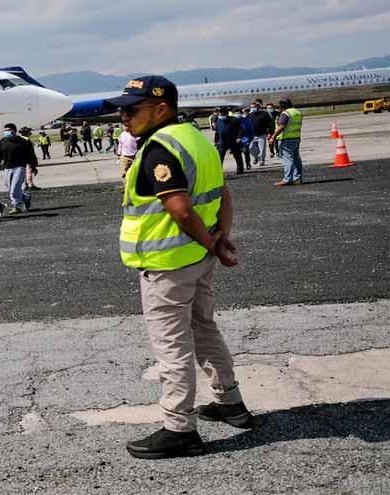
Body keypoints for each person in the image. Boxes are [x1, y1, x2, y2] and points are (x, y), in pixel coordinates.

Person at [107, 75, 251, 460]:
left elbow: (181, 209)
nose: (122, 116)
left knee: (172, 347)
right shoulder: (197, 139)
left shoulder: (158, 149)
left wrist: (214, 245)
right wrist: (219, 240)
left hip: (168, 264)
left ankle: (179, 428)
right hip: (196, 259)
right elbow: (223, 194)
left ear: (161, 109)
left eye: (130, 109)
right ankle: (230, 403)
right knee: (204, 329)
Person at [0, 123, 36, 215]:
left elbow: (31, 154)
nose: (6, 132)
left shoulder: (23, 141)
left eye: (8, 130)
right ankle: (26, 198)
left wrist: (33, 166)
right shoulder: (3, 141)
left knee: (15, 187)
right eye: (5, 130)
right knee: (10, 188)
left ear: (14, 131)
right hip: (7, 168)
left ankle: (17, 206)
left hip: (19, 167)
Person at [269, 98, 304, 186]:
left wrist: (273, 137)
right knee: (296, 159)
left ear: (282, 106)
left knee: (288, 159)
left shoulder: (285, 114)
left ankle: (287, 179)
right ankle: (298, 178)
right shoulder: (297, 112)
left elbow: (281, 126)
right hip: (296, 137)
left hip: (286, 139)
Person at [215, 108, 245, 174]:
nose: (221, 116)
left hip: (233, 141)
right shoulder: (219, 120)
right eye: (220, 114)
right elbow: (217, 132)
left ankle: (240, 169)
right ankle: (219, 171)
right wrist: (216, 141)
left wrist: (239, 137)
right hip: (222, 142)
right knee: (220, 157)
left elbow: (240, 129)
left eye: (222, 114)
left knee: (237, 156)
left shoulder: (234, 120)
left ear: (226, 114)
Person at [249, 102, 272, 166]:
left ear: (258, 107)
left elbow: (269, 123)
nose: (252, 108)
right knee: (250, 148)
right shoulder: (250, 115)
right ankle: (257, 157)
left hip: (262, 134)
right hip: (252, 135)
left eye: (253, 107)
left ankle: (262, 161)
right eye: (251, 107)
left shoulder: (264, 114)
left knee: (262, 149)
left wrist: (270, 132)